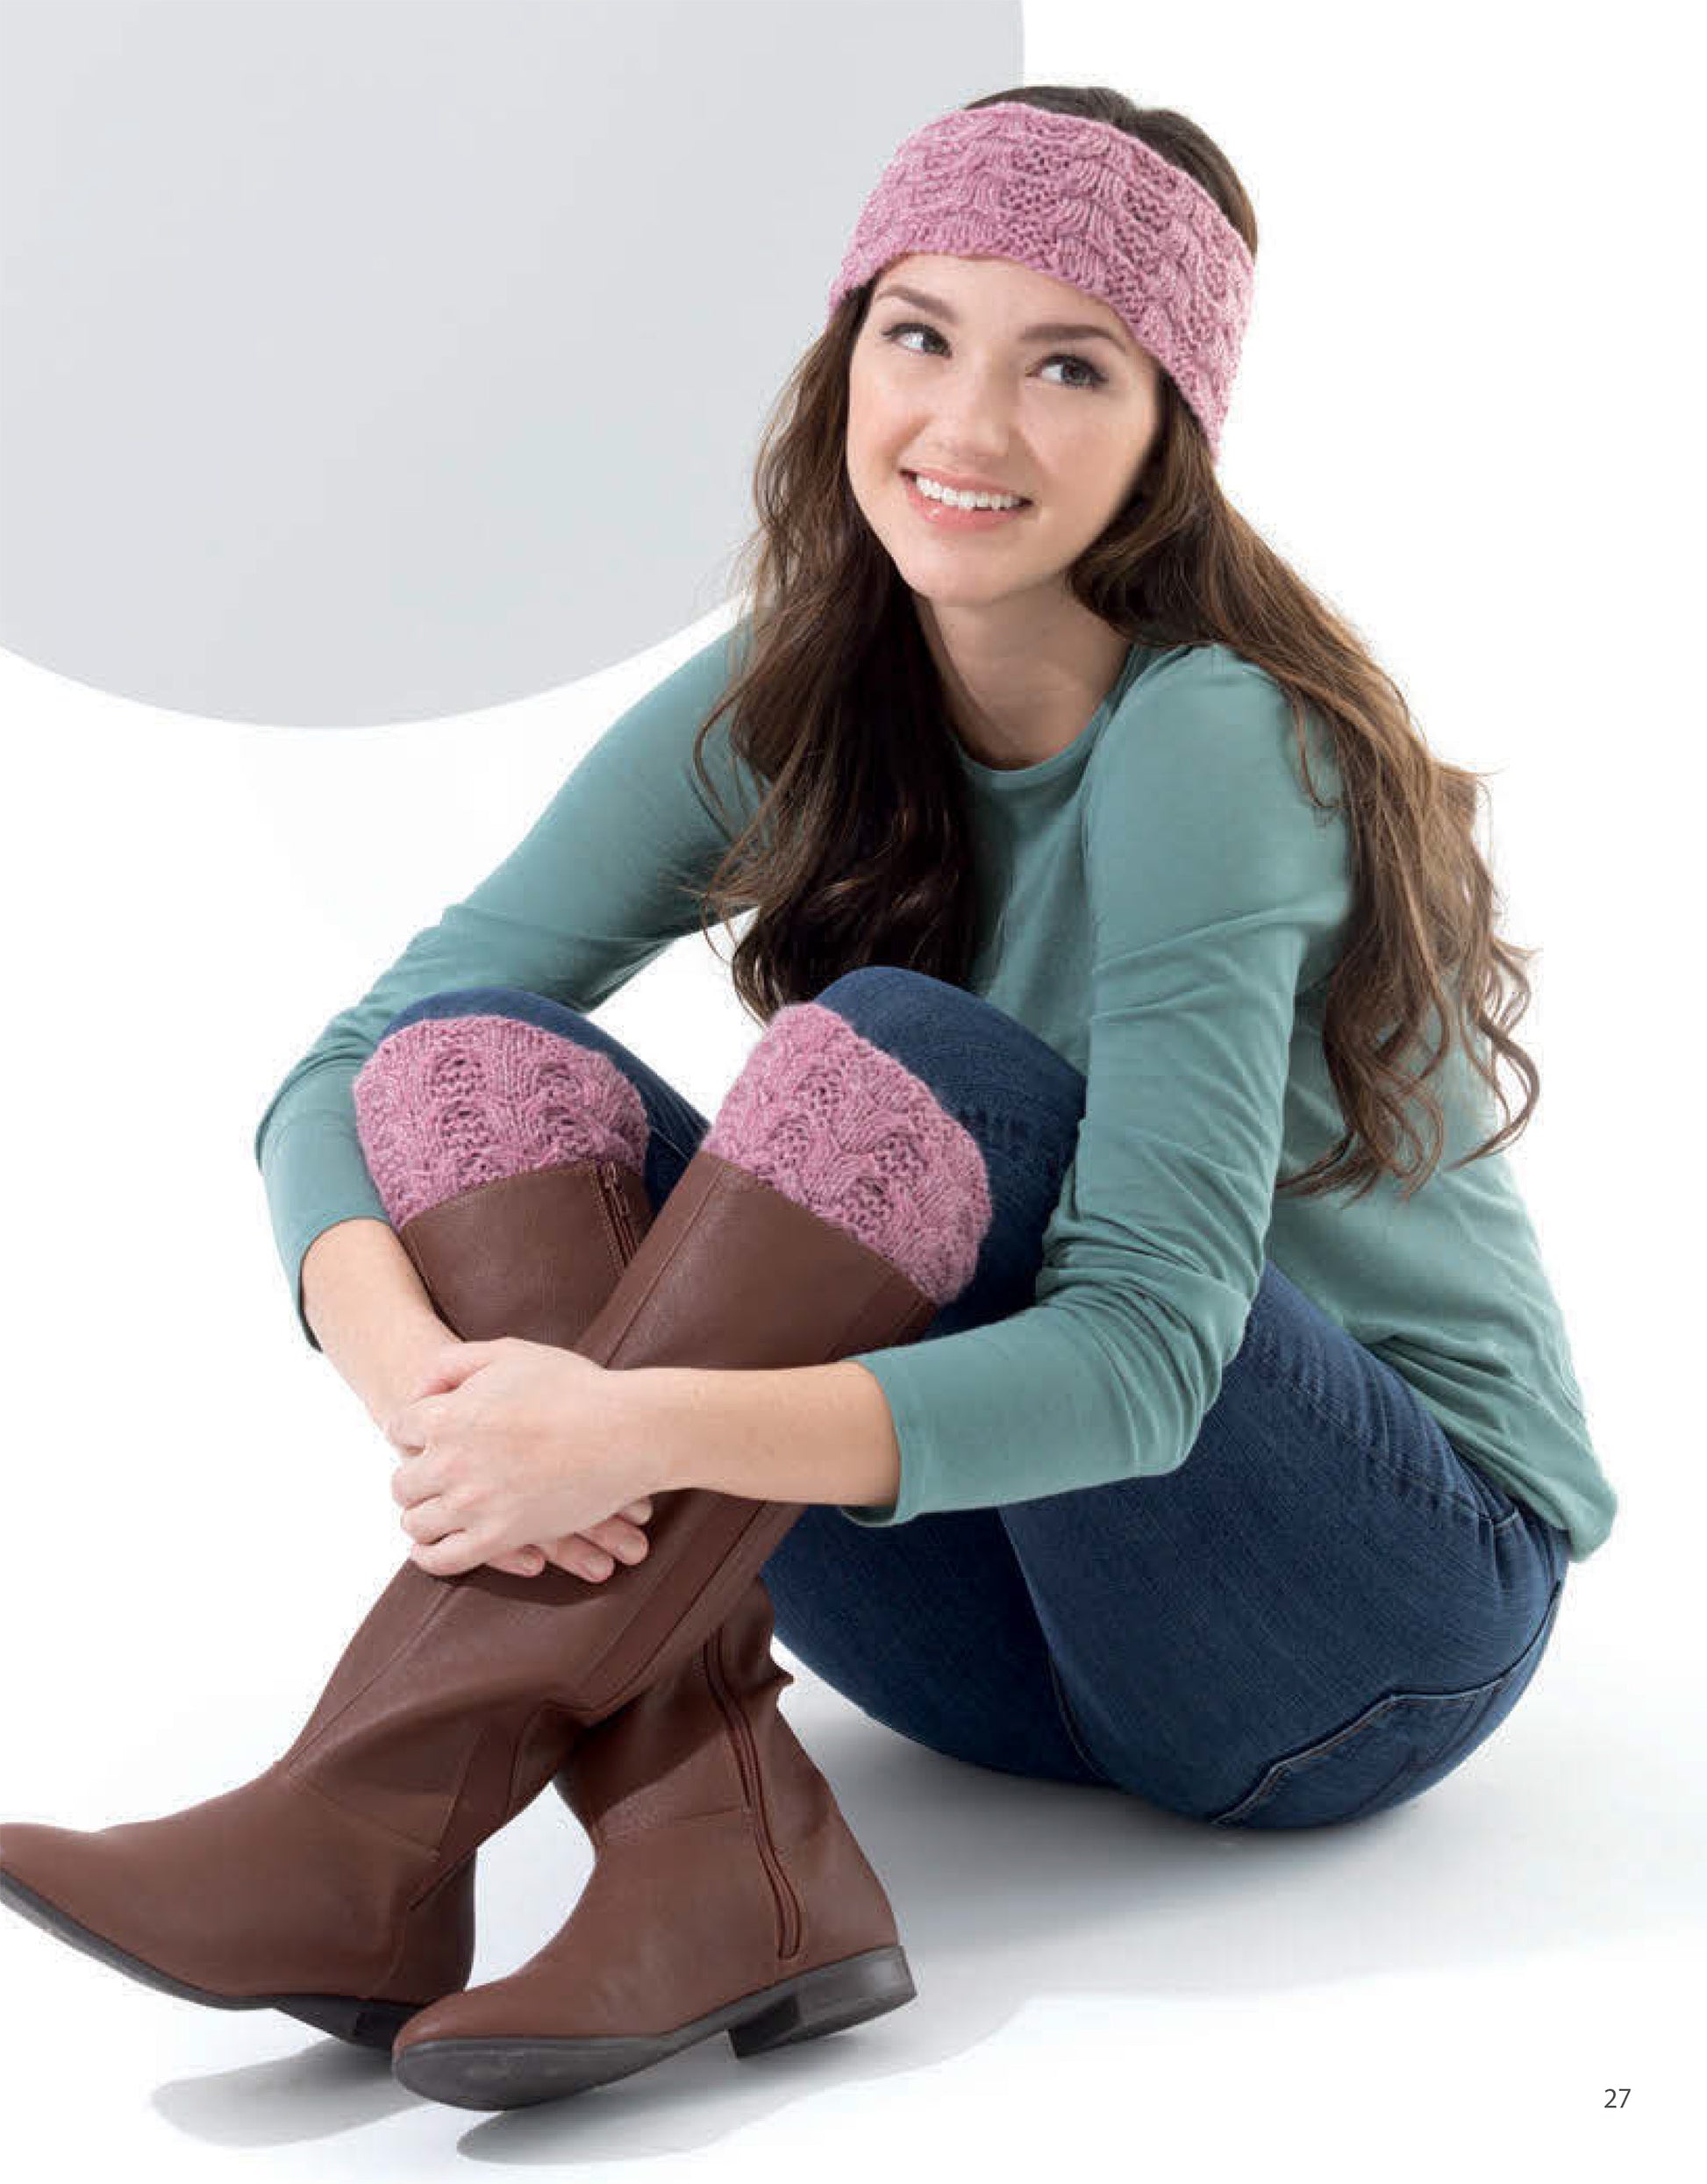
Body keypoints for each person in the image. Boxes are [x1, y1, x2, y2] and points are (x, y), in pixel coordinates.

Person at [0, 84, 1614, 2113]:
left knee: (913, 1055)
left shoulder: (1216, 740)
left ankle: (364, 1814)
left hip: (1355, 1628)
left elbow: (1143, 1364)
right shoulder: (794, 687)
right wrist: (425, 1379)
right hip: (1008, 1643)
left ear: (1166, 434)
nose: (966, 426)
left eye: (1068, 367)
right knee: (477, 1070)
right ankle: (727, 1852)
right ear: (843, 347)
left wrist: (623, 1424)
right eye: (918, 333)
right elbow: (362, 1062)